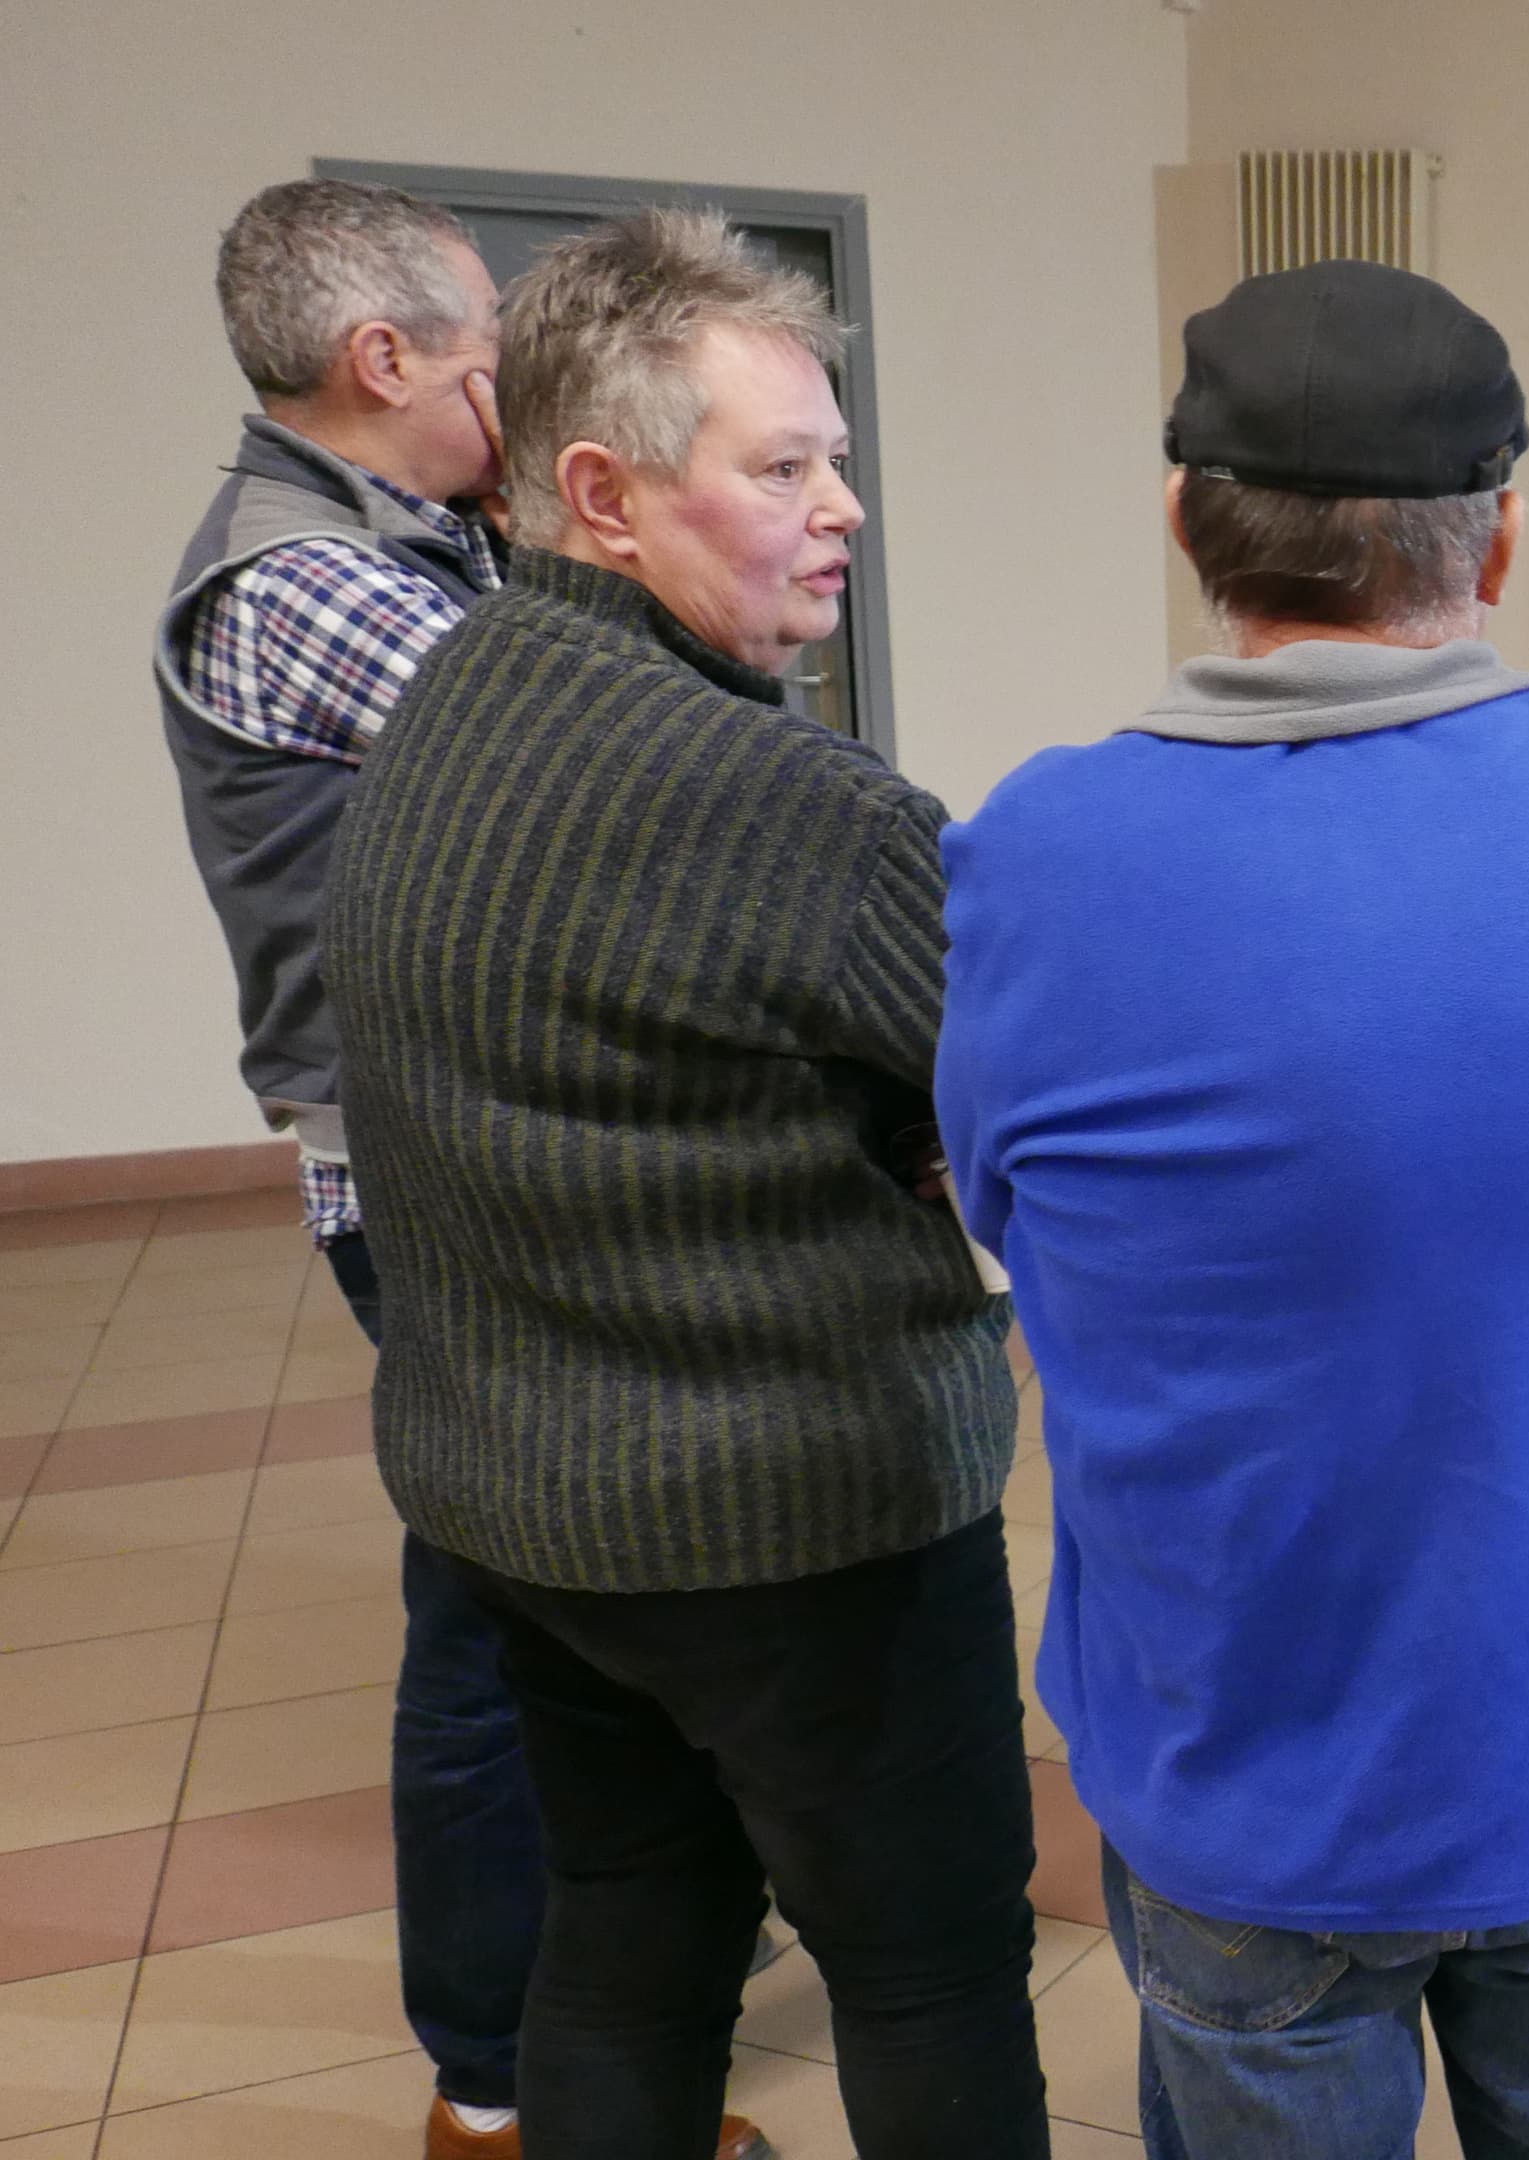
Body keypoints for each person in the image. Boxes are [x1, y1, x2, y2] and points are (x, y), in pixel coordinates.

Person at [934, 261, 1529, 2160]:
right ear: (1501, 535)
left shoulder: (1038, 846)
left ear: (1184, 521)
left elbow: (1000, 1199)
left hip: (1243, 1777)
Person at [322, 207, 1043, 2160]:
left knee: (632, 1935)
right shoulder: (807, 813)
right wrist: (913, 1144)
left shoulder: (447, 705)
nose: (844, 509)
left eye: (837, 458)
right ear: (601, 495)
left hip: (527, 1502)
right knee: (931, 1972)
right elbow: (1033, 1113)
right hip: (800, 1521)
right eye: (784, 468)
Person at [151, 177, 776, 2160]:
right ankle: (499, 2084)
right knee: (505, 1628)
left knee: (569, 1594)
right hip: (444, 1181)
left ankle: (599, 2004)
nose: (513, 387)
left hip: (499, 1154)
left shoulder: (412, 544)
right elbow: (609, 772)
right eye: (493, 353)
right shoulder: (305, 580)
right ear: (382, 359)